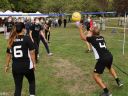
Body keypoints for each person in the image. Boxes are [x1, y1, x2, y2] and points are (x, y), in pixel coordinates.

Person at [77, 24, 123, 96]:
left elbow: (83, 37)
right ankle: (118, 81)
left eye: (92, 29)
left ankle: (106, 92)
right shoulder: (101, 37)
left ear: (93, 33)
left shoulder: (92, 38)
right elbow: (91, 34)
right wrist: (91, 30)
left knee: (95, 76)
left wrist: (80, 28)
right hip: (109, 56)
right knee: (110, 67)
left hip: (102, 58)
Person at [5, 22, 36, 96]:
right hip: (26, 66)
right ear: (23, 29)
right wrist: (34, 63)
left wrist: (6, 65)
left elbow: (8, 54)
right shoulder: (27, 38)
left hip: (16, 67)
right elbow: (32, 52)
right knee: (32, 82)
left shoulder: (12, 39)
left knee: (18, 87)